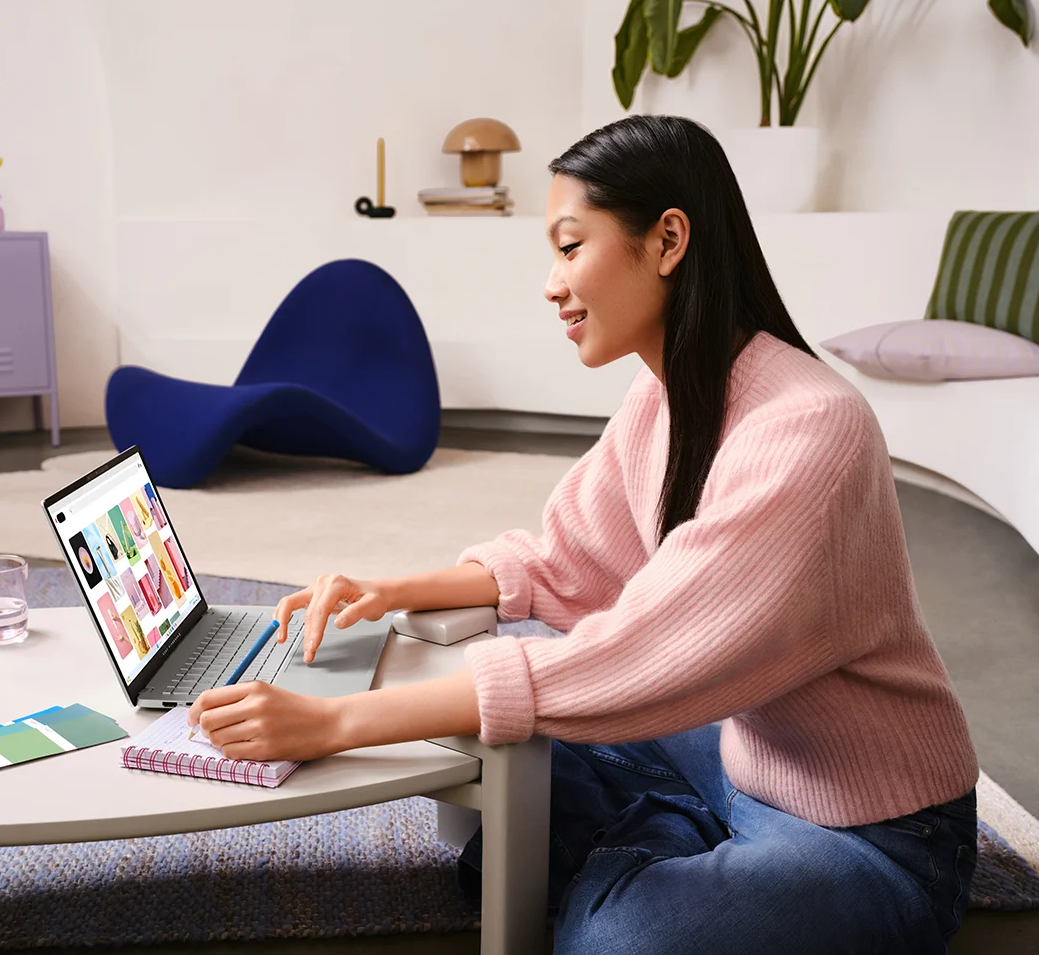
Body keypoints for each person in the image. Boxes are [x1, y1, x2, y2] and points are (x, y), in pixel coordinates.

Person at [187, 115, 979, 953]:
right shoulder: (667, 396)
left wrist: (338, 723)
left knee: (612, 937)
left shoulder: (808, 426)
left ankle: (637, 856)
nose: (551, 284)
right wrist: (390, 592)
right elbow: (568, 561)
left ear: (668, 240)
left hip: (874, 836)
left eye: (571, 248)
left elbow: (636, 659)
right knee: (474, 746)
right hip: (745, 755)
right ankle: (656, 839)